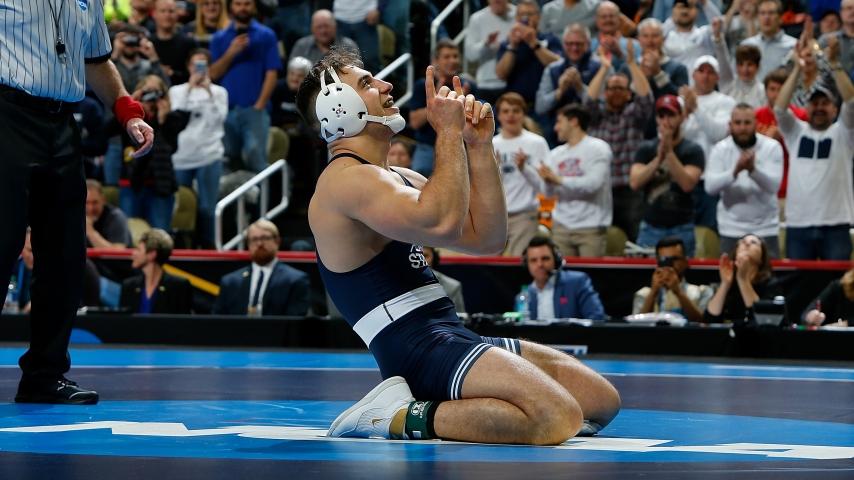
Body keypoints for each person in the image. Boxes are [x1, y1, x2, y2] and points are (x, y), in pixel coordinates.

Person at [296, 47, 619, 444]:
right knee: (556, 416)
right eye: (366, 83)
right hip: (416, 350)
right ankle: (395, 415)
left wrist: (478, 146)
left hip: (448, 334)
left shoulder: (397, 178)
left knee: (601, 401)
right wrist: (447, 133)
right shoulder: (344, 180)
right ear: (338, 108)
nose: (385, 84)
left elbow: (487, 239)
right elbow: (443, 222)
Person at [0, 0, 154, 404]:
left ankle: (45, 375)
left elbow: (96, 60)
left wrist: (127, 111)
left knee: (65, 257)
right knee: (2, 244)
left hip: (63, 125)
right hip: (7, 115)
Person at [775, 35, 854, 260]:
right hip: (798, 223)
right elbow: (779, 108)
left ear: (835, 110)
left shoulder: (844, 133)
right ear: (806, 108)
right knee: (799, 280)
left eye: (825, 103)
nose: (819, 108)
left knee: (837, 281)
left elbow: (851, 101)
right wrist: (797, 69)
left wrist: (835, 64)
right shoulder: (795, 132)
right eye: (814, 103)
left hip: (836, 223)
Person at [587, 41, 653, 242]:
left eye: (620, 88)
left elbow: (646, 98)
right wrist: (604, 68)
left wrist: (632, 64)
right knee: (601, 241)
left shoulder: (634, 114)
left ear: (628, 93)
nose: (616, 92)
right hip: (601, 189)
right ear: (605, 93)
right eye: (612, 88)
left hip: (629, 190)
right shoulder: (596, 116)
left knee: (633, 241)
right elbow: (589, 100)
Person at [210, 0, 282, 173]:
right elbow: (213, 74)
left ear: (254, 7)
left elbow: (272, 73)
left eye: (247, 3)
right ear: (230, 7)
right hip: (226, 110)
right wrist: (231, 52)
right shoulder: (219, 37)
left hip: (254, 109)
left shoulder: (267, 35)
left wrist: (259, 106)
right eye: (238, 3)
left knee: (256, 159)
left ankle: (261, 193)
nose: (242, 8)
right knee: (228, 162)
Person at [630, 94, 704, 256]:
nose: (666, 121)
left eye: (671, 115)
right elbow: (635, 182)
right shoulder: (646, 149)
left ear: (682, 117)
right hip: (650, 227)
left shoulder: (693, 150)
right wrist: (658, 159)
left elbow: (687, 184)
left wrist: (669, 153)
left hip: (682, 228)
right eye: (661, 116)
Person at [704, 104, 783, 257]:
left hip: (766, 228)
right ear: (730, 125)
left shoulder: (772, 147)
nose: (742, 128)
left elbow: (774, 186)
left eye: (747, 123)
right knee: (730, 271)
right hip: (731, 229)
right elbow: (710, 187)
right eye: (738, 123)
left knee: (768, 273)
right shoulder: (720, 149)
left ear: (756, 124)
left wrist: (753, 170)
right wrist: (735, 172)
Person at [169, 49, 229, 248]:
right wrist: (189, 88)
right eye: (196, 65)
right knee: (181, 206)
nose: (199, 69)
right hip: (182, 157)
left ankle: (210, 248)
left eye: (203, 64)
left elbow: (220, 119)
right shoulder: (176, 91)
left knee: (206, 208)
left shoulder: (219, 92)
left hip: (209, 155)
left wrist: (208, 92)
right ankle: (183, 247)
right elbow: (175, 117)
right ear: (188, 67)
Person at [539, 104, 613, 257]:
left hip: (590, 226)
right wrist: (547, 181)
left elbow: (593, 185)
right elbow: (547, 194)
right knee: (561, 271)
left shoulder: (598, 148)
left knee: (591, 271)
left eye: (559, 122)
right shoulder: (555, 154)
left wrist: (557, 179)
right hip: (561, 227)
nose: (556, 128)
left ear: (573, 121)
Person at [213, 219, 311, 316]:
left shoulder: (295, 280)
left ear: (277, 241)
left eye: (265, 238)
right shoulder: (230, 282)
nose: (259, 244)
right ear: (248, 245)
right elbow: (217, 320)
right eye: (254, 239)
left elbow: (295, 320)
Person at [492, 92, 549, 256]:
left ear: (523, 114)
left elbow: (546, 186)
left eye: (516, 111)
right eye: (506, 111)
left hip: (525, 216)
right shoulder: (490, 143)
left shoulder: (537, 143)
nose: (510, 115)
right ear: (498, 116)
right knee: (489, 264)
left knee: (517, 263)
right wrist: (494, 171)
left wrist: (525, 169)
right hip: (496, 218)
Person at [408, 40, 476, 177]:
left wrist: (463, 104)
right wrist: (436, 102)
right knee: (418, 187)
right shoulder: (423, 85)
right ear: (436, 60)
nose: (452, 60)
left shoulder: (469, 86)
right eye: (447, 57)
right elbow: (415, 122)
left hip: (459, 147)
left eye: (455, 56)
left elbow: (473, 121)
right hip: (428, 148)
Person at [524, 236, 606, 320]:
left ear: (556, 260)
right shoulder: (525, 295)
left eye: (545, 259)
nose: (540, 264)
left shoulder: (577, 282)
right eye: (533, 260)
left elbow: (597, 317)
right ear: (527, 265)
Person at [495, 0, 562, 103]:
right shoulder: (508, 42)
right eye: (521, 14)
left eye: (529, 14)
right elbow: (501, 75)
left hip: (545, 102)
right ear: (516, 18)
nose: (525, 18)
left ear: (539, 17)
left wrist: (533, 43)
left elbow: (558, 67)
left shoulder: (550, 39)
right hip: (516, 104)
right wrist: (513, 46)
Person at [633, 236, 713, 322]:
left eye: (674, 259)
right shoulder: (644, 294)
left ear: (685, 261)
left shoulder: (702, 291)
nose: (669, 264)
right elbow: (636, 325)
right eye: (664, 259)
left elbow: (703, 323)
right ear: (658, 262)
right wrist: (653, 293)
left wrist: (679, 293)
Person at [703, 234, 775, 325]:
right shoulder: (730, 282)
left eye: (753, 242)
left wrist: (742, 279)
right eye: (743, 242)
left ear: (762, 258)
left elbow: (765, 320)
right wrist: (725, 284)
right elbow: (709, 320)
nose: (747, 244)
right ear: (736, 253)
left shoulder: (770, 283)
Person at [120, 228, 192, 314]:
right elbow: (123, 320)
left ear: (152, 254)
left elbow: (183, 320)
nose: (133, 253)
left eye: (138, 249)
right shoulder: (129, 286)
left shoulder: (178, 287)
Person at [464, 0, 515, 104]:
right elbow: (470, 55)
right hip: (486, 84)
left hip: (514, 82)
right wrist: (486, 44)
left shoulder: (519, 14)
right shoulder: (477, 18)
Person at [633, 17, 689, 100]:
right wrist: (641, 76)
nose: (650, 41)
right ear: (638, 39)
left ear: (663, 39)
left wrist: (658, 73)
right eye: (645, 36)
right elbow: (627, 99)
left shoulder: (679, 69)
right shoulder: (629, 68)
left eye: (655, 36)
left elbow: (681, 100)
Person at [740, 0, 797, 81]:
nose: (766, 17)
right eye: (762, 13)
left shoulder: (793, 46)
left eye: (771, 13)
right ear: (757, 17)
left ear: (780, 18)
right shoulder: (746, 44)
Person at [151, 0, 198, 85]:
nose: (167, 15)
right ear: (154, 14)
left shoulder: (189, 43)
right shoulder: (147, 44)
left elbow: (196, 72)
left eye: (171, 11)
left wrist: (173, 73)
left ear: (177, 14)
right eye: (163, 11)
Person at [289, 9, 359, 67]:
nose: (323, 31)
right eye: (319, 27)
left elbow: (357, 74)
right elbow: (292, 73)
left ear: (335, 27)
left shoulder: (348, 46)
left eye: (326, 26)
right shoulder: (301, 46)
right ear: (312, 29)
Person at [86, 179, 133, 249]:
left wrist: (90, 232)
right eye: (86, 203)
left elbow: (119, 252)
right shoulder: (76, 217)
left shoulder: (116, 217)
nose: (90, 208)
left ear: (103, 200)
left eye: (95, 202)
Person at [422, 246, 466, 314]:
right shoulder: (403, 284)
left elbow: (459, 317)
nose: (421, 261)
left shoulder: (452, 287)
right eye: (416, 256)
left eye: (425, 256)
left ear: (434, 257)